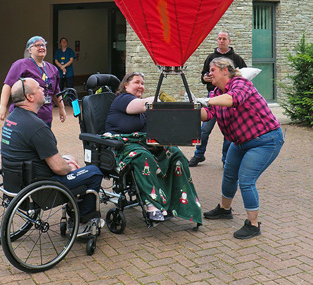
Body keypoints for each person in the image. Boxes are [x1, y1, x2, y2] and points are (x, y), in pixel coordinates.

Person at [195, 57, 284, 239]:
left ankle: (253, 224)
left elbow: (233, 99)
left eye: (213, 70)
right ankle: (225, 209)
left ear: (225, 70)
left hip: (265, 140)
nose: (209, 73)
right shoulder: (214, 94)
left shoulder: (241, 84)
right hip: (240, 142)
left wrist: (205, 101)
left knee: (246, 180)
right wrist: (194, 107)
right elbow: (207, 115)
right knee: (229, 173)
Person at [105, 72, 202, 226]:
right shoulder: (122, 99)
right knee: (143, 156)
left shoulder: (142, 107)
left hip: (142, 144)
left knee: (175, 153)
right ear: (126, 85)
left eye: (143, 83)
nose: (141, 86)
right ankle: (152, 206)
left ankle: (181, 203)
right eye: (137, 82)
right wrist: (161, 98)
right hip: (121, 146)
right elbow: (144, 104)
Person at [1, 78, 103, 218]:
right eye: (38, 88)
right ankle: (83, 220)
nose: (43, 89)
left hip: (18, 178)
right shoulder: (36, 126)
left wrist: (67, 162)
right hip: (42, 185)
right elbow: (59, 168)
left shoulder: (12, 118)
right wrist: (70, 168)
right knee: (94, 172)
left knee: (70, 158)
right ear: (29, 97)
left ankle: (73, 205)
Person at [189, 30, 246, 167]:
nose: (221, 41)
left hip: (229, 97)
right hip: (213, 95)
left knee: (228, 130)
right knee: (204, 130)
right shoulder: (210, 58)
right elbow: (203, 76)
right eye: (219, 38)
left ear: (229, 41)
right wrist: (205, 78)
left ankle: (226, 159)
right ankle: (199, 155)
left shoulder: (236, 58)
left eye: (224, 39)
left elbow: (244, 74)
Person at [0, 36, 67, 127]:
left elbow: (56, 92)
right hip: (24, 116)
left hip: (45, 117)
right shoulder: (21, 65)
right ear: (29, 50)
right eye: (37, 45)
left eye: (43, 45)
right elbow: (8, 85)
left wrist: (62, 108)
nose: (41, 47)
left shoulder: (53, 69)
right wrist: (2, 106)